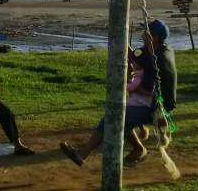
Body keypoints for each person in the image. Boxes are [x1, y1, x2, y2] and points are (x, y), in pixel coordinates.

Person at [60, 19, 177, 166]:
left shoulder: (157, 60)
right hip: (153, 101)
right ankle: (139, 149)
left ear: (155, 37)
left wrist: (128, 85)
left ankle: (82, 154)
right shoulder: (159, 49)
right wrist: (122, 40)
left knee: (113, 117)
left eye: (146, 34)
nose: (142, 36)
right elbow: (135, 56)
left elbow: (147, 91)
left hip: (157, 108)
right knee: (119, 116)